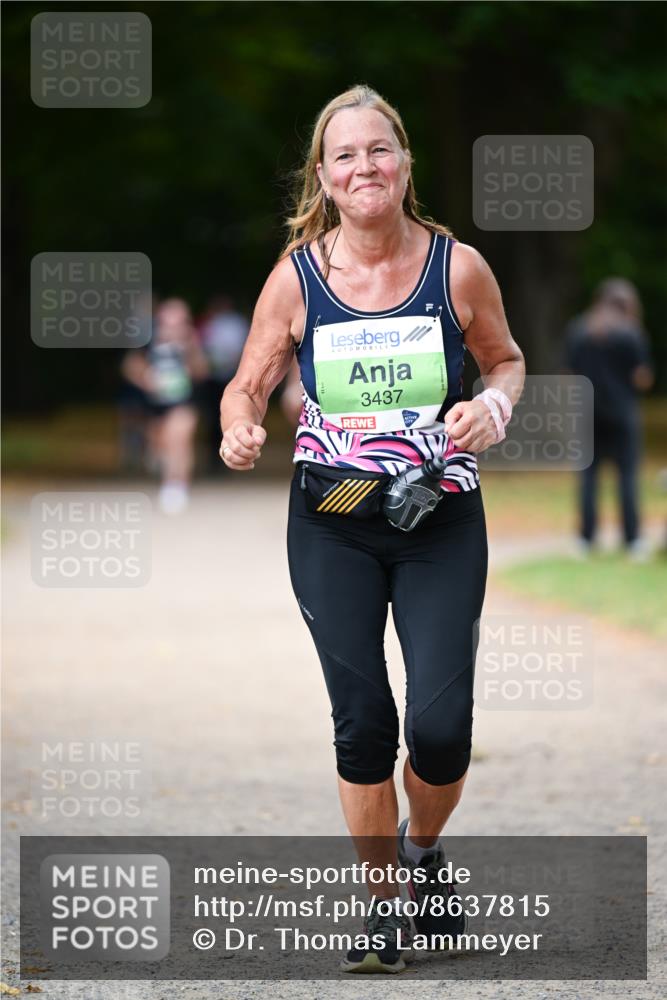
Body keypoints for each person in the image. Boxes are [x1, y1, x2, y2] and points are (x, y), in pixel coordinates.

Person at [220, 85, 525, 973]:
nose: (364, 167)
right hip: (333, 520)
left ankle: (423, 855)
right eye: (345, 155)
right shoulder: (299, 276)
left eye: (378, 150)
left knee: (438, 728)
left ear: (404, 164)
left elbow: (502, 361)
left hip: (438, 517)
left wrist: (495, 409)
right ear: (324, 175)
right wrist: (240, 422)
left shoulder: (455, 268)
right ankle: (383, 906)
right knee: (362, 719)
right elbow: (247, 380)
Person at [564, 277, 653, 558]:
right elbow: (642, 378)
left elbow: (569, 374)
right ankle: (632, 540)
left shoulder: (579, 329)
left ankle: (586, 539)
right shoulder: (630, 333)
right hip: (622, 414)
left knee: (588, 478)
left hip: (587, 413)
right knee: (626, 476)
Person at [122, 297, 208, 514]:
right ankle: (163, 467)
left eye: (180, 322)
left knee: (179, 440)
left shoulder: (191, 342)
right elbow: (130, 365)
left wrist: (190, 352)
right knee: (160, 444)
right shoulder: (148, 340)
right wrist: (145, 379)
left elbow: (202, 370)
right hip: (155, 405)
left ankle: (176, 486)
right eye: (169, 322)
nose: (174, 327)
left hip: (184, 402)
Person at [198, 295, 250, 470]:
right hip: (213, 377)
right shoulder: (209, 323)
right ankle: (214, 458)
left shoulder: (237, 323)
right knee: (213, 418)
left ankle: (225, 457)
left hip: (232, 374)